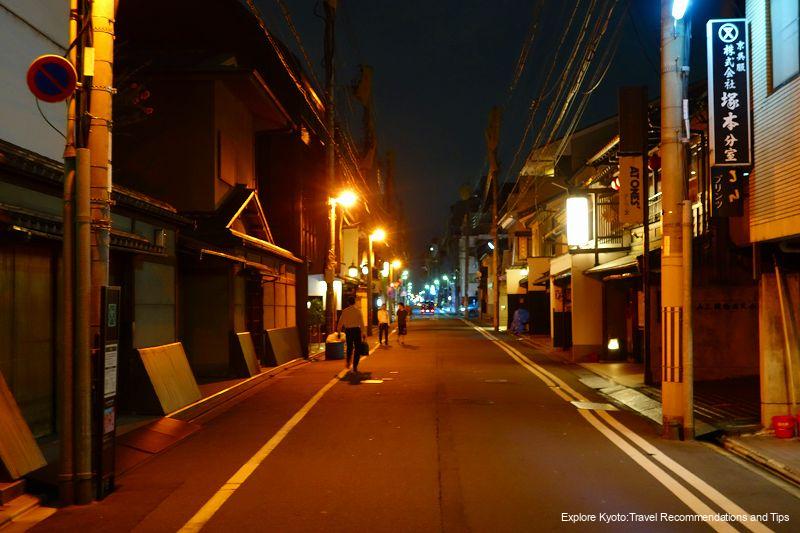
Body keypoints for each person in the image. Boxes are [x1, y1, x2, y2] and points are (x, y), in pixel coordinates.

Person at [337, 296, 366, 373]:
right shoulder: (358, 311)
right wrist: (363, 333)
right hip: (356, 330)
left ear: (348, 303)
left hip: (348, 331)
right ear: (354, 302)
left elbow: (340, 322)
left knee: (349, 347)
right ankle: (355, 366)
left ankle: (348, 361)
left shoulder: (345, 311)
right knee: (357, 348)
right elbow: (361, 323)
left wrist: (339, 332)